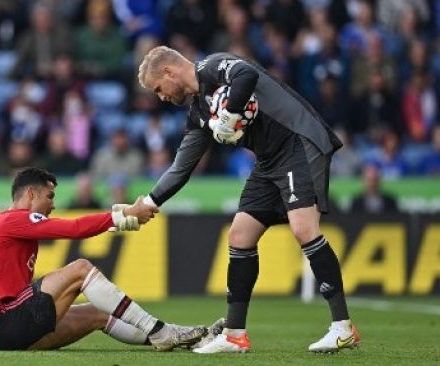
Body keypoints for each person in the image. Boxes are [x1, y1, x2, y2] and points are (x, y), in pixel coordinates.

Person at [135, 46, 360, 353]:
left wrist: (227, 114)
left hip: (298, 141)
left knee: (304, 229)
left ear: (169, 72)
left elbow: (247, 74)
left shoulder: (214, 66)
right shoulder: (200, 112)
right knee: (240, 235)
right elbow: (181, 168)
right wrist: (148, 203)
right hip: (269, 161)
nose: (161, 97)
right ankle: (234, 334)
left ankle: (342, 327)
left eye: (159, 89)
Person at [0, 167, 205, 351]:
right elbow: (75, 228)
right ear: (31, 194)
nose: (53, 204)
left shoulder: (8, 226)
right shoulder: (13, 220)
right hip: (5, 326)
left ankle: (180, 337)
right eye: (49, 196)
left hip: (7, 333)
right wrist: (123, 215)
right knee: (80, 269)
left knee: (97, 312)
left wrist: (120, 217)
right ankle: (159, 331)